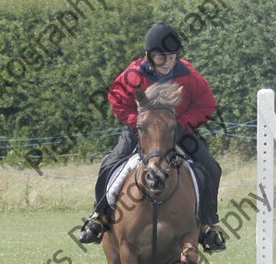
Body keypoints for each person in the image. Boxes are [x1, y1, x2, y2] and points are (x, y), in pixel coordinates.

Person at [79, 22, 226, 252]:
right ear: (149, 56)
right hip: (141, 130)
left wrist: (182, 124)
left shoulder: (188, 74)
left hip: (178, 131)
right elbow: (117, 101)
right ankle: (99, 217)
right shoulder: (133, 74)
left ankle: (208, 224)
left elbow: (207, 104)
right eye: (161, 58)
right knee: (109, 164)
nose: (167, 63)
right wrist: (138, 124)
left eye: (172, 57)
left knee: (211, 167)